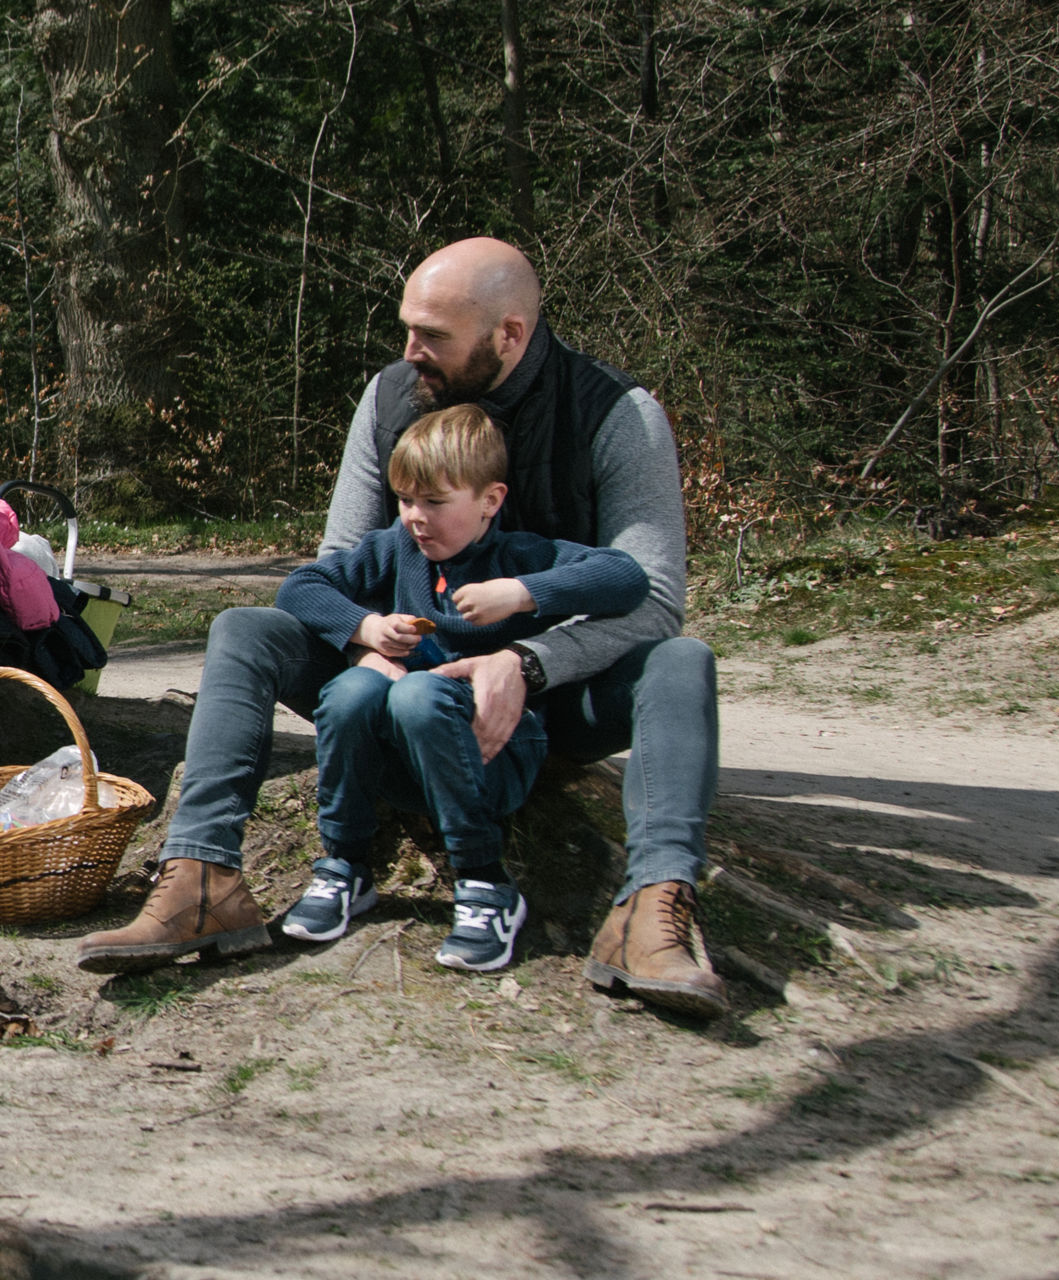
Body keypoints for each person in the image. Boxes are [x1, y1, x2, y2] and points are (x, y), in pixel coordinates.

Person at [75, 238, 726, 1018]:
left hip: (555, 694)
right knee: (246, 629)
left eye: (435, 337)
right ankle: (203, 876)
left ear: (509, 335)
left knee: (681, 661)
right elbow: (336, 564)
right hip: (398, 685)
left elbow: (651, 598)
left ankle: (650, 911)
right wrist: (364, 643)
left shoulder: (617, 415)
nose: (410, 351)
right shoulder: (389, 400)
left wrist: (527, 661)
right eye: (407, 328)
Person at [266, 405, 647, 971]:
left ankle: (485, 882)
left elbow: (627, 577)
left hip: (495, 757)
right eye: (405, 499)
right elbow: (301, 585)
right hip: (402, 762)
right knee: (352, 692)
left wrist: (522, 593)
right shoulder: (398, 547)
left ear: (490, 500)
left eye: (435, 502)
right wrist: (366, 629)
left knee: (417, 695)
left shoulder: (518, 554)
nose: (416, 517)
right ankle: (344, 866)